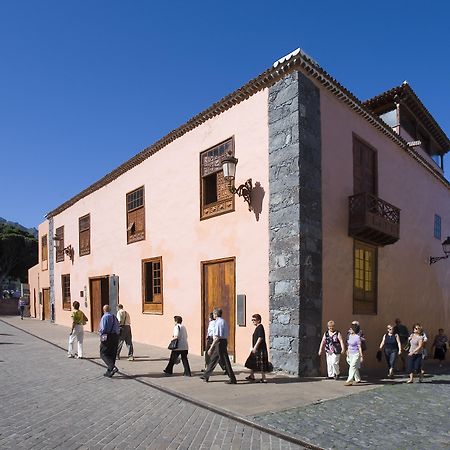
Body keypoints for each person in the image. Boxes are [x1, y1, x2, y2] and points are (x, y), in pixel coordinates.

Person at [201, 308, 237, 384]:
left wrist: (211, 348)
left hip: (220, 343)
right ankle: (206, 375)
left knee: (225, 360)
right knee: (213, 359)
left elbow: (217, 337)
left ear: (216, 314)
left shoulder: (219, 323)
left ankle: (232, 378)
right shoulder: (223, 321)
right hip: (222, 342)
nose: (213, 315)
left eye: (214, 314)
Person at [244, 314, 270, 383]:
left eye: (254, 320)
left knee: (261, 364)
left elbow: (260, 338)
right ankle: (251, 375)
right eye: (252, 320)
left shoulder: (260, 327)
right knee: (252, 361)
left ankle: (264, 378)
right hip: (256, 348)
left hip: (260, 349)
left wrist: (255, 347)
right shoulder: (258, 327)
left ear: (258, 320)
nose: (253, 321)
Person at [98, 305, 120, 377]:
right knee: (112, 354)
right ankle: (109, 371)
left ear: (104, 310)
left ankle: (112, 367)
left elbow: (103, 328)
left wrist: (100, 334)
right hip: (115, 336)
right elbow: (117, 327)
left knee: (103, 353)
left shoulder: (104, 317)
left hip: (107, 336)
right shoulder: (114, 317)